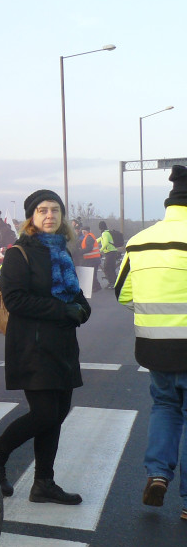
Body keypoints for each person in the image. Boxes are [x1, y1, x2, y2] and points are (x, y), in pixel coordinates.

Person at [0, 190, 90, 505]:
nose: (49, 215)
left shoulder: (63, 252)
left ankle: (43, 483)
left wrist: (82, 309)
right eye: (42, 210)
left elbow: (73, 293)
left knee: (56, 415)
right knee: (43, 414)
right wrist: (62, 311)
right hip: (33, 347)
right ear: (32, 217)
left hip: (63, 347)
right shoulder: (19, 252)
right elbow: (15, 300)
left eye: (55, 210)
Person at [116, 165, 187, 517]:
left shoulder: (139, 241)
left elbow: (123, 293)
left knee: (164, 407)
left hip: (154, 347)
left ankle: (158, 474)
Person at [76, 221, 103, 293]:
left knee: (91, 274)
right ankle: (97, 286)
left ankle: (95, 287)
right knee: (92, 273)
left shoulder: (89, 238)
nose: (82, 233)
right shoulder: (89, 237)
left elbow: (89, 248)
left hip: (92, 259)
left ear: (84, 232)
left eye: (83, 232)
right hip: (93, 259)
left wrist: (80, 252)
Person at [97, 220, 121, 289]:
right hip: (112, 252)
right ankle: (115, 282)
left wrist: (100, 250)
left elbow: (106, 243)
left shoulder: (104, 234)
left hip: (110, 252)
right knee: (111, 268)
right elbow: (97, 240)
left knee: (107, 268)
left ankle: (112, 283)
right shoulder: (106, 233)